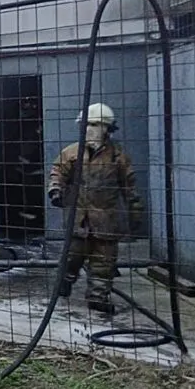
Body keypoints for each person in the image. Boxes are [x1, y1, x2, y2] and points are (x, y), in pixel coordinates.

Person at [47, 103, 143, 315]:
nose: (88, 129)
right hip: (78, 218)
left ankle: (98, 297)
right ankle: (63, 283)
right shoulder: (72, 153)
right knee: (72, 258)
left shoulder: (117, 157)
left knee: (103, 262)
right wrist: (56, 190)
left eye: (94, 125)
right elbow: (58, 172)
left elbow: (129, 186)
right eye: (86, 124)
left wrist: (135, 211)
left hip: (106, 219)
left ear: (106, 128)